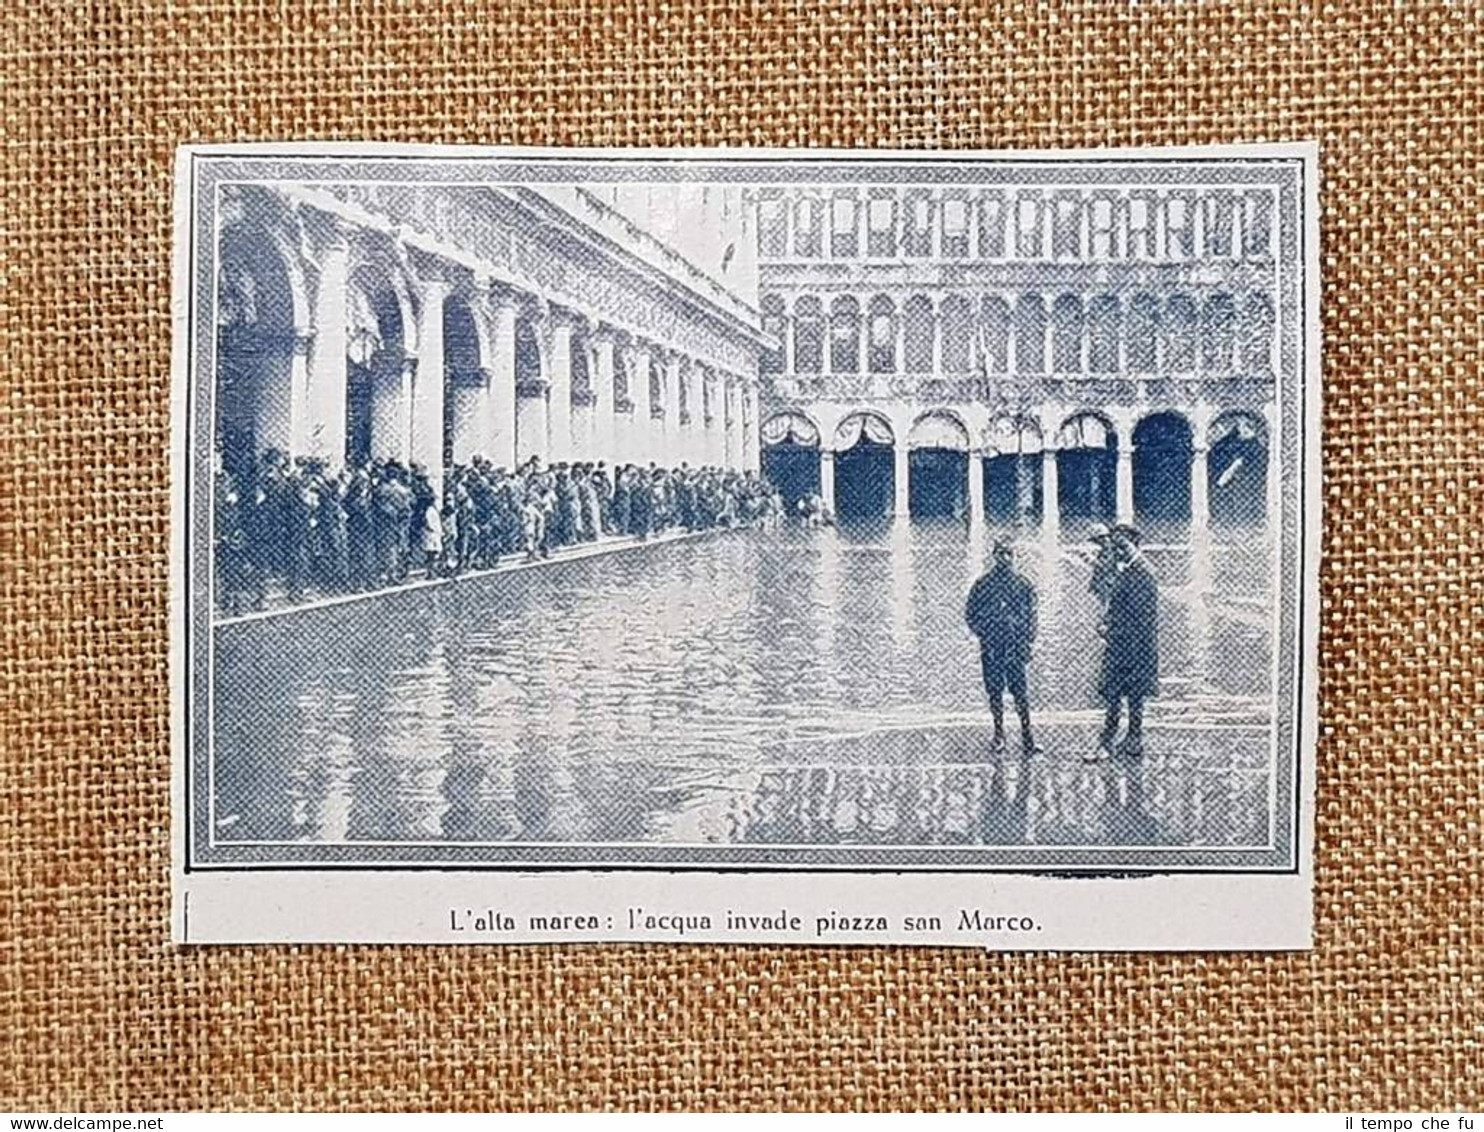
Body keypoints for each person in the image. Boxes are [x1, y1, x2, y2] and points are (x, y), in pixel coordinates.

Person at [964, 539, 1039, 755]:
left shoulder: (1023, 584)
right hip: (992, 647)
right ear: (994, 556)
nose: (1005, 558)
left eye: (1008, 554)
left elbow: (1032, 616)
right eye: (1000, 554)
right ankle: (999, 734)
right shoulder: (983, 584)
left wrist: (1028, 640)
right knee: (994, 691)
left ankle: (1028, 737)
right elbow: (970, 614)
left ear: (1014, 556)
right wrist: (984, 632)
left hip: (1016, 646)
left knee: (1021, 693)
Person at [1093, 525, 1159, 760]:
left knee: (1119, 694)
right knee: (1131, 694)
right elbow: (1118, 608)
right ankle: (1131, 741)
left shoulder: (1140, 574)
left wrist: (1109, 630)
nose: (1117, 551)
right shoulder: (1132, 571)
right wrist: (1106, 621)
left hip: (1130, 646)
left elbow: (1138, 617)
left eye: (1122, 546)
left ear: (1133, 546)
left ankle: (1109, 742)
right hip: (1131, 645)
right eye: (1116, 546)